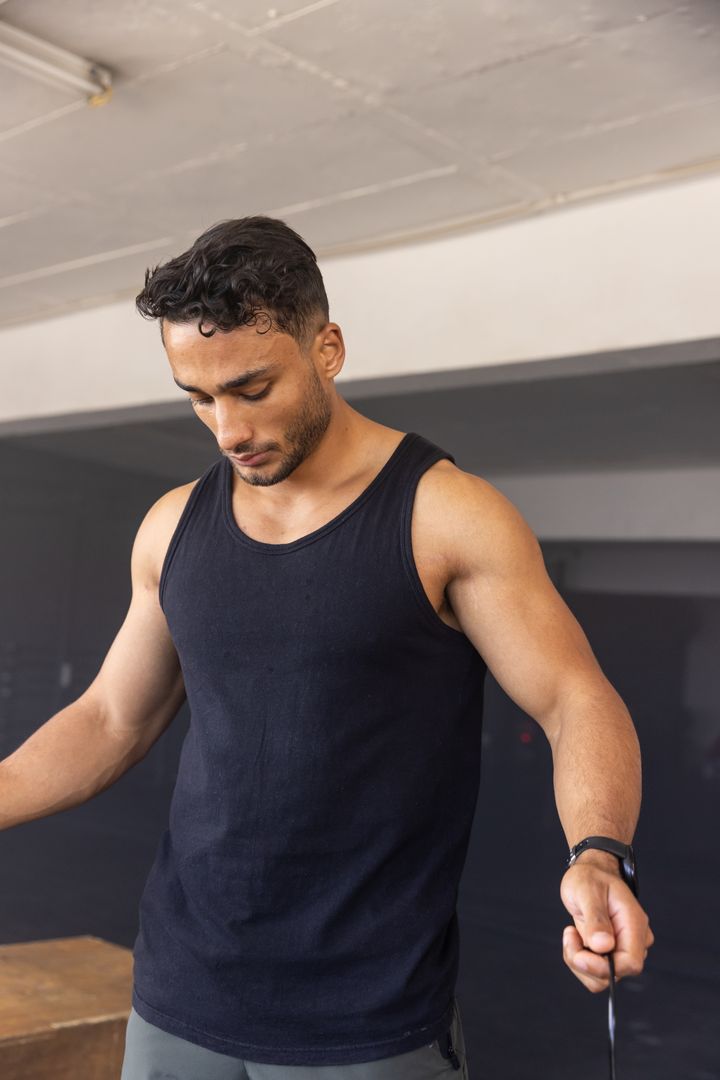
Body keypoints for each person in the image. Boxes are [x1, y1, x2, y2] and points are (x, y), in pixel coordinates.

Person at [0, 216, 653, 1080]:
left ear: (328, 348)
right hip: (180, 991)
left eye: (252, 387)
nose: (226, 428)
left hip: (367, 1019)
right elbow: (112, 717)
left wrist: (598, 854)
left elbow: (575, 699)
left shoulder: (446, 517)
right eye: (198, 398)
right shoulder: (172, 529)